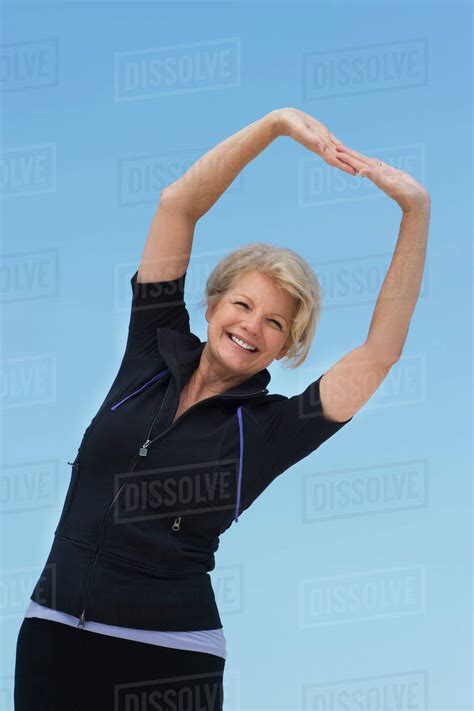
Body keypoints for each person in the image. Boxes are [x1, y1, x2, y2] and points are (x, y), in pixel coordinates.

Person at [14, 107, 431, 710]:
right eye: (242, 304)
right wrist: (276, 125)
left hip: (169, 662)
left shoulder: (272, 430)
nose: (250, 326)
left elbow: (381, 352)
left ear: (287, 347)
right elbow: (177, 205)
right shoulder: (149, 350)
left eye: (275, 323)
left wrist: (415, 210)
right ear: (211, 307)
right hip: (52, 634)